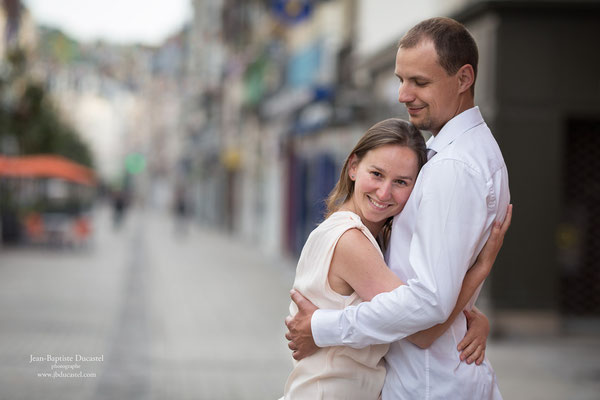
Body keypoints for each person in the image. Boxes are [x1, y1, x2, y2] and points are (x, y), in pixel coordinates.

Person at [285, 17, 510, 399]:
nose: (404, 95)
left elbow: (429, 303)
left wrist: (322, 328)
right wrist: (474, 286)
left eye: (419, 82)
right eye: (400, 80)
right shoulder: (466, 155)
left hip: (428, 384)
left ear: (464, 78)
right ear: (353, 167)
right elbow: (435, 299)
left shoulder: (452, 167)